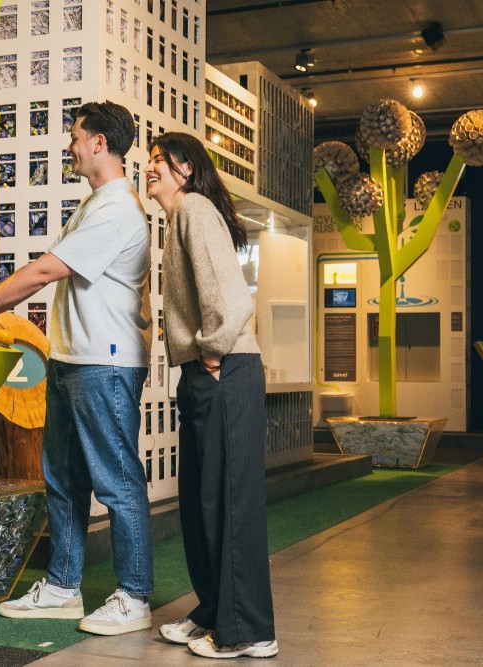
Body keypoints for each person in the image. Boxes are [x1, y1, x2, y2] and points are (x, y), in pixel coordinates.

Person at [0, 101, 154, 636]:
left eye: (75, 136)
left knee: (116, 482)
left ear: (99, 142)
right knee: (63, 478)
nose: (70, 146)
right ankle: (63, 588)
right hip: (73, 359)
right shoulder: (94, 204)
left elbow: (47, 270)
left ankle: (135, 596)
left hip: (105, 364)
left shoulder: (117, 209)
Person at [143, 132, 278, 659]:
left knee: (228, 502)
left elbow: (231, 298)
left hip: (225, 369)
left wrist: (215, 350)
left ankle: (248, 630)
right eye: (149, 160)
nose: (149, 168)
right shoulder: (183, 216)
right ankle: (215, 611)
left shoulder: (195, 209)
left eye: (159, 160)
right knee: (203, 501)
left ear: (185, 168)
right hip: (206, 371)